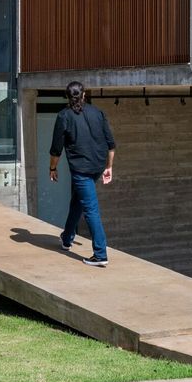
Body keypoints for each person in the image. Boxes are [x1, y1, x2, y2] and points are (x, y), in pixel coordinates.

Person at [49, 80, 115, 267]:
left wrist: (52, 168)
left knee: (91, 209)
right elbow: (111, 144)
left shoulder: (64, 116)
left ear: (68, 97)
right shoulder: (97, 112)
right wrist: (108, 167)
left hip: (81, 171)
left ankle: (100, 254)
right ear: (84, 94)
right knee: (77, 203)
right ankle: (67, 238)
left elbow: (56, 149)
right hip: (97, 167)